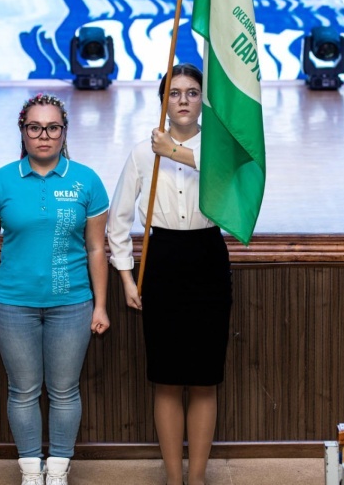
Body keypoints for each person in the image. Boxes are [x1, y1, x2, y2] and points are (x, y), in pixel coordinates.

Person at [106, 63, 232, 485]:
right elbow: (119, 220)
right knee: (166, 378)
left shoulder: (218, 148)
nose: (183, 100)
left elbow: (228, 180)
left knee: (204, 379)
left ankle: (197, 478)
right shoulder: (143, 153)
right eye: (174, 93)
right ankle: (174, 479)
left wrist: (173, 151)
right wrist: (127, 278)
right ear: (163, 100)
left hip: (207, 257)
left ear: (202, 101)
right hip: (162, 259)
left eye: (192, 92)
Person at [0, 93, 110, 485]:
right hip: (12, 305)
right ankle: (31, 472)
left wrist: (100, 306)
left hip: (72, 304)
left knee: (65, 391)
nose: (44, 136)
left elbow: (96, 248)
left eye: (53, 128)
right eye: (35, 128)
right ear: (23, 132)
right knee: (22, 391)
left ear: (64, 131)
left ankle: (58, 471)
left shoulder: (87, 180)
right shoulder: (0, 181)